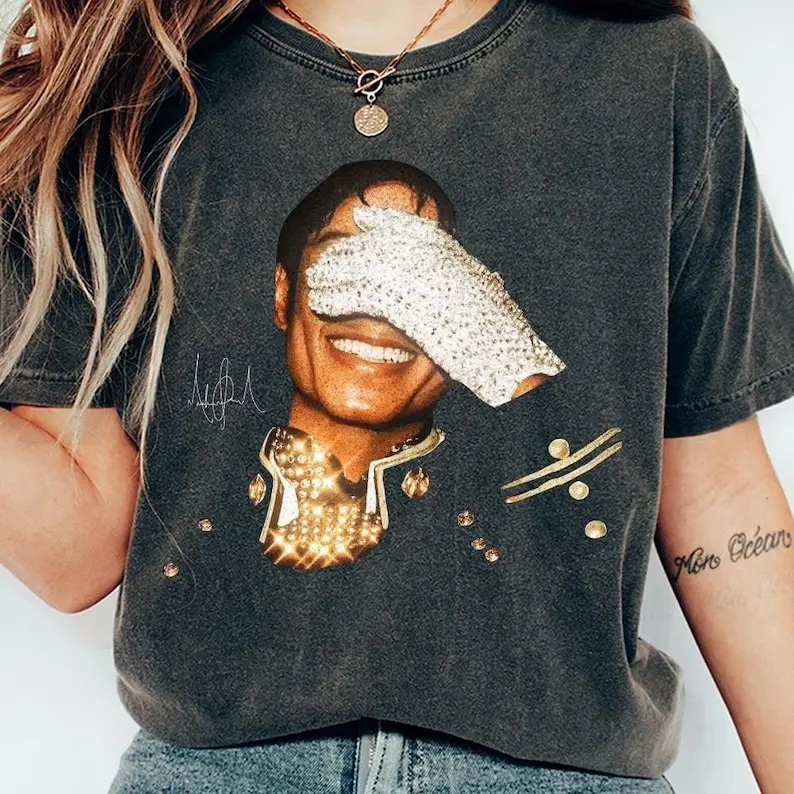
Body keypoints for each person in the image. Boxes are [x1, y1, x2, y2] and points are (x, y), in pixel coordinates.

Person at [1, 1, 793, 793]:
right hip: (218, 771)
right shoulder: (127, 81)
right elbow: (79, 553)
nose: (381, 309)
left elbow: (720, 496)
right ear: (283, 293)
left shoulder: (650, 74)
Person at [258, 159, 563, 568]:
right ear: (283, 295)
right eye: (349, 259)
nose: (381, 307)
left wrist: (516, 372)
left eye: (424, 275)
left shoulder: (516, 525)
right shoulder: (186, 488)